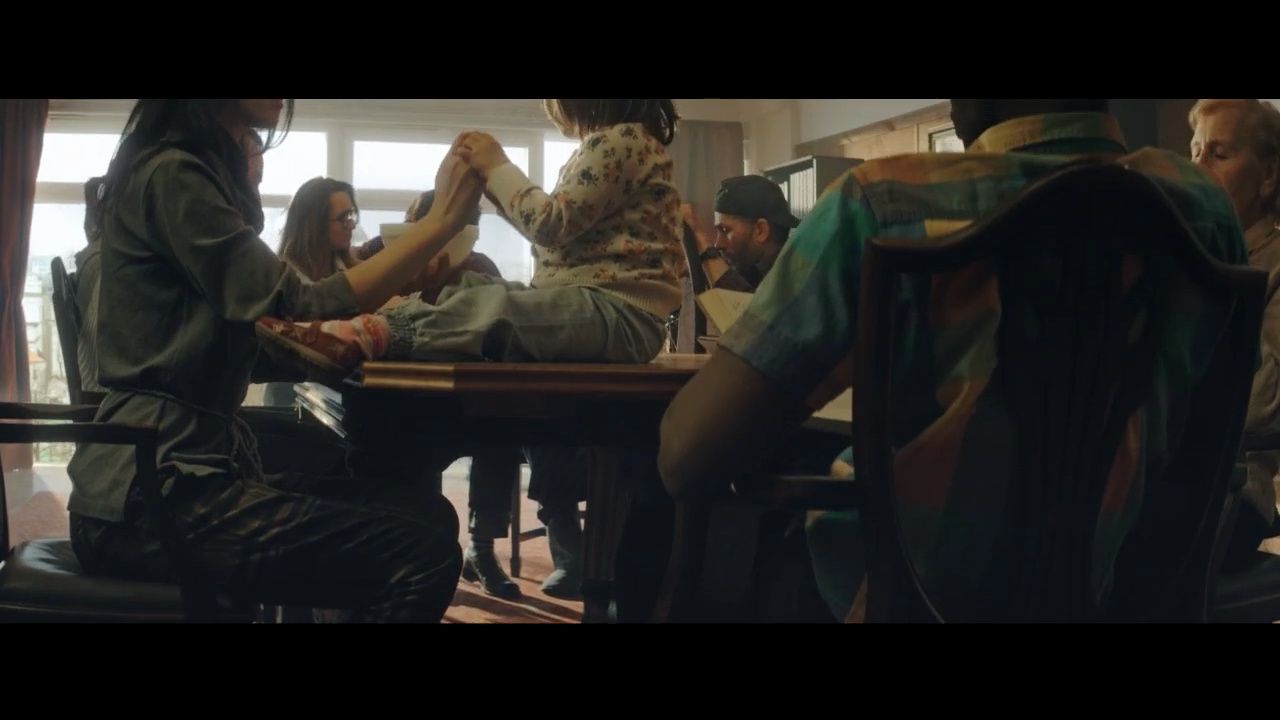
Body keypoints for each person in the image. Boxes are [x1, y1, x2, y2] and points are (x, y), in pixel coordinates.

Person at [659, 99, 1248, 619]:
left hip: (915, 602)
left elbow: (688, 455)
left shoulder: (884, 203)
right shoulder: (1202, 209)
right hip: (1129, 598)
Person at [67, 99, 484, 622]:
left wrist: (389, 294)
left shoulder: (176, 169)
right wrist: (441, 222)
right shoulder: (173, 173)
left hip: (176, 481)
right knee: (421, 552)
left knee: (427, 515)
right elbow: (296, 303)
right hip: (152, 499)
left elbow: (257, 338)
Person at [257, 100, 686, 605]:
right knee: (480, 294)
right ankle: (368, 331)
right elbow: (557, 231)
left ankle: (367, 336)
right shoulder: (619, 144)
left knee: (494, 305)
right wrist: (483, 183)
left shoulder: (621, 142)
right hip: (594, 304)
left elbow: (549, 223)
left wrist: (495, 166)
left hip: (617, 313)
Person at [1189, 99, 1280, 567]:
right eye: (1196, 151)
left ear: (1267, 177)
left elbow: (1263, 406)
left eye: (1219, 154)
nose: (1200, 167)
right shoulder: (1187, 258)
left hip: (1234, 495)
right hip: (1162, 482)